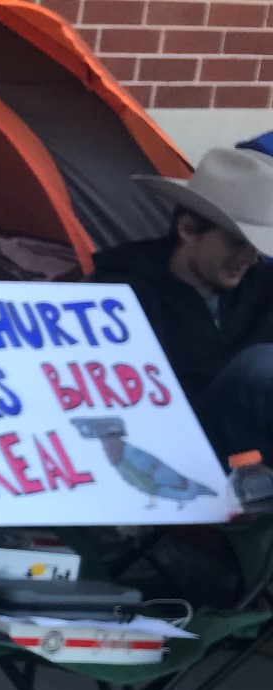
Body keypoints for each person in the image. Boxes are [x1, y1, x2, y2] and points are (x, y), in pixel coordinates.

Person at [95, 146, 273, 460]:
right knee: (261, 368)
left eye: (256, 245)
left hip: (256, 454)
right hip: (173, 448)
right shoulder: (121, 293)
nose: (248, 258)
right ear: (188, 229)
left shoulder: (261, 283)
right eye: (236, 241)